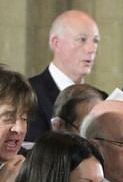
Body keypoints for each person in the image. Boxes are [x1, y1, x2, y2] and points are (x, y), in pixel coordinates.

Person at [27, 10, 101, 142]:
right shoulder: (29, 94)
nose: (91, 49)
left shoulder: (101, 98)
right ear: (56, 43)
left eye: (95, 40)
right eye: (82, 40)